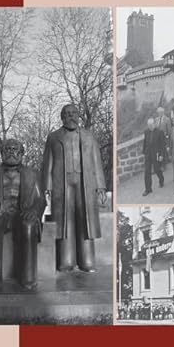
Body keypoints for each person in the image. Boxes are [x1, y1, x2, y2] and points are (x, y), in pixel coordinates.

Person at [42, 104, 107, 272]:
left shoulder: (88, 136)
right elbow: (47, 164)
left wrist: (101, 186)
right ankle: (66, 260)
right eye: (67, 114)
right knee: (64, 220)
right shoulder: (53, 137)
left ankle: (87, 261)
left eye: (74, 113)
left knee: (85, 219)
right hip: (61, 182)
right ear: (62, 117)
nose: (71, 116)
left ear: (78, 116)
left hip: (85, 181)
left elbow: (96, 162)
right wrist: (46, 187)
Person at [0, 139, 45, 291]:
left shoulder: (33, 174)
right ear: (2, 153)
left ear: (22, 153)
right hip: (0, 212)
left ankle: (28, 277)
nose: (11, 152)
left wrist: (34, 211)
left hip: (23, 212)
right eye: (7, 149)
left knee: (29, 226)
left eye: (15, 149)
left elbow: (40, 199)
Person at [142, 118, 165, 196]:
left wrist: (161, 155)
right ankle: (148, 189)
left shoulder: (160, 132)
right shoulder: (146, 132)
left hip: (156, 154)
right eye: (148, 125)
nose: (150, 126)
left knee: (157, 169)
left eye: (151, 125)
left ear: (154, 124)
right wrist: (144, 152)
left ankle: (161, 180)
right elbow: (145, 142)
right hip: (148, 154)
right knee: (147, 172)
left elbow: (162, 145)